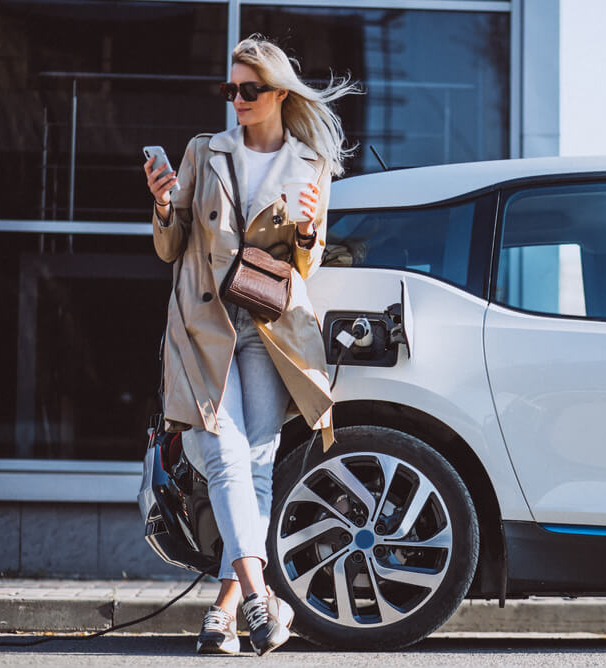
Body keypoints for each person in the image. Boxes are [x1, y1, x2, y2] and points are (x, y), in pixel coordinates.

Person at [143, 34, 361, 656]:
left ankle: (224, 613)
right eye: (229, 89)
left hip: (271, 329)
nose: (237, 100)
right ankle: (264, 603)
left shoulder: (310, 164)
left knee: (255, 467)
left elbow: (304, 266)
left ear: (278, 93)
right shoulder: (202, 151)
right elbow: (171, 245)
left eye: (249, 89)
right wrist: (163, 204)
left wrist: (311, 229)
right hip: (203, 326)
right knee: (225, 456)